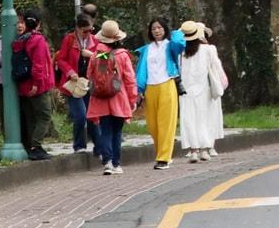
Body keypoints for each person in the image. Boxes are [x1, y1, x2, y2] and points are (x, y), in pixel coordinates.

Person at [86, 19, 138, 175]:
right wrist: (132, 99)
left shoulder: (97, 55)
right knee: (117, 132)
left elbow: (90, 75)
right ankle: (116, 163)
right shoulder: (122, 55)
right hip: (118, 98)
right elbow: (129, 79)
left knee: (105, 131)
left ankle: (107, 161)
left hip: (101, 99)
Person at [135, 17, 186, 169]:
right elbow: (141, 71)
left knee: (166, 123)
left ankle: (163, 158)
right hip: (150, 88)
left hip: (167, 84)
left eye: (159, 28)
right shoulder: (147, 49)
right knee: (153, 125)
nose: (156, 31)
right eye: (153, 29)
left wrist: (176, 32)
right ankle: (161, 154)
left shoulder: (170, 45)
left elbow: (180, 44)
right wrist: (139, 90)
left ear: (165, 29)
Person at [179, 21, 224, 162]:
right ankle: (205, 150)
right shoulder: (209, 49)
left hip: (185, 91)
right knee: (204, 119)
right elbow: (216, 68)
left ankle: (193, 151)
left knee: (189, 120)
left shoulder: (181, 52)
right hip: (204, 89)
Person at [55, 14, 100, 155]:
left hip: (89, 83)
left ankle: (99, 145)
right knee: (80, 115)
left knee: (92, 115)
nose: (88, 33)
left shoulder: (95, 40)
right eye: (85, 31)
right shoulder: (69, 39)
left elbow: (105, 57)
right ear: (78, 29)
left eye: (91, 30)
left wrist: (91, 55)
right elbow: (60, 59)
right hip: (74, 83)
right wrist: (70, 72)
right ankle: (79, 145)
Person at [15, 9, 55, 160]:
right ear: (38, 24)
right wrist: (37, 84)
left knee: (31, 117)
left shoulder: (19, 40)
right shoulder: (38, 40)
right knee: (44, 115)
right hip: (36, 85)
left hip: (23, 84)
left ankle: (31, 147)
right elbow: (39, 65)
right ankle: (36, 146)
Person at [200, 24, 227, 155]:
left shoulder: (210, 49)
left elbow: (216, 67)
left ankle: (210, 145)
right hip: (197, 88)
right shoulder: (185, 52)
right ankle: (200, 146)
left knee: (211, 116)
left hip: (210, 87)